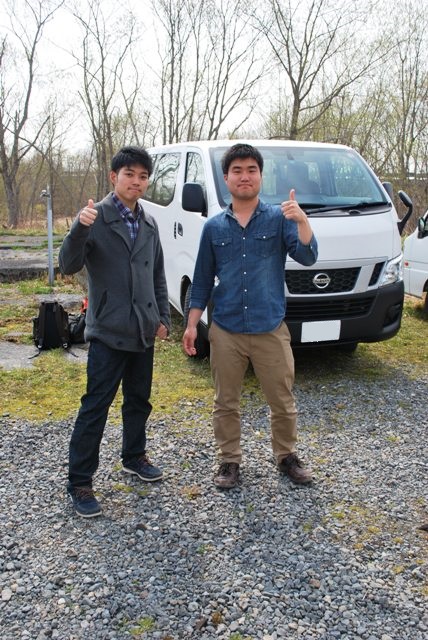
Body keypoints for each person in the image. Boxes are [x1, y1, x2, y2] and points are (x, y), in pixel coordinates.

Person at [182, 143, 318, 489]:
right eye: (237, 171)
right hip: (226, 329)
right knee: (225, 402)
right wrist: (192, 324)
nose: (245, 176)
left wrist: (303, 221)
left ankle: (286, 456)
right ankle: (229, 461)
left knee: (282, 400)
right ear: (226, 178)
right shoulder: (214, 228)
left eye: (251, 170)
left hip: (270, 328)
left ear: (260, 176)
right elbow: (201, 280)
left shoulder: (279, 219)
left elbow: (307, 256)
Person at [59, 146, 170, 518]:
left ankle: (134, 456)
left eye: (142, 176)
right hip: (108, 331)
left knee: (139, 400)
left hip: (142, 331)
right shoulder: (97, 218)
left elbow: (157, 275)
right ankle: (80, 481)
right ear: (114, 177)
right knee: (95, 407)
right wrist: (79, 227)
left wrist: (162, 317)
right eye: (129, 175)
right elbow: (67, 264)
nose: (136, 182)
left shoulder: (149, 222)